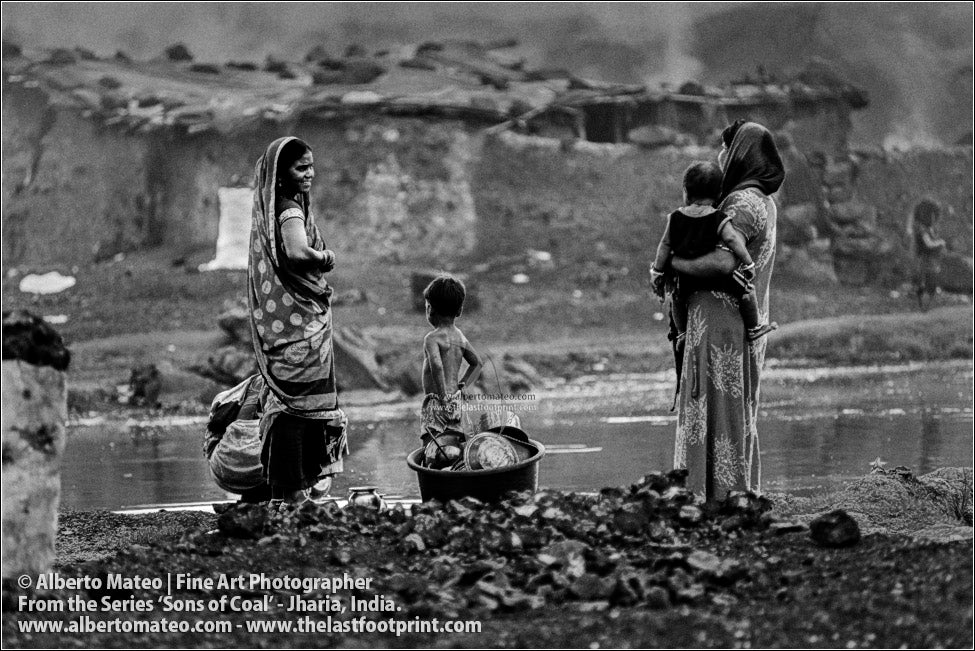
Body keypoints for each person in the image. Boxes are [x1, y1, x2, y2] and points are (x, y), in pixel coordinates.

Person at [669, 120, 785, 502]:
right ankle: (731, 491)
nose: (721, 156)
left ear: (739, 153)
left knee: (714, 406)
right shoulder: (763, 201)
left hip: (720, 323)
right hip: (737, 321)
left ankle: (711, 495)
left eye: (725, 148)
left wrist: (674, 265)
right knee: (731, 409)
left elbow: (722, 262)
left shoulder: (742, 204)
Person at [248, 137, 348, 507]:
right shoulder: (289, 209)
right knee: (299, 403)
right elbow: (295, 252)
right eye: (301, 167)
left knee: (290, 403)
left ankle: (285, 492)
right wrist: (325, 257)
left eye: (311, 166)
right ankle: (292, 491)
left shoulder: (278, 207)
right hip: (299, 325)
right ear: (281, 174)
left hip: (291, 320)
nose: (310, 174)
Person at [650, 160, 778, 348]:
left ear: (686, 191)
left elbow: (665, 244)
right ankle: (754, 328)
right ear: (719, 193)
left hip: (686, 275)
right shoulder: (719, 218)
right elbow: (732, 240)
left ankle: (682, 333)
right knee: (747, 291)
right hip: (717, 277)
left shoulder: (675, 218)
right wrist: (748, 262)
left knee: (677, 297)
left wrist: (657, 271)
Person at [419, 275, 483, 454]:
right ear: (460, 310)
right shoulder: (459, 337)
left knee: (430, 447)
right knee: (455, 442)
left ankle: (431, 465)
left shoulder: (432, 338)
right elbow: (477, 364)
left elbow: (437, 366)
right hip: (456, 401)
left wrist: (442, 398)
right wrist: (464, 386)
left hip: (437, 401)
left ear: (430, 309)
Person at [910, 198, 947, 311]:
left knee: (928, 283)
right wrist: (940, 243)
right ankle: (923, 306)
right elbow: (928, 244)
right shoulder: (922, 230)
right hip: (925, 260)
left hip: (929, 260)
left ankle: (924, 305)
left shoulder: (926, 228)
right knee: (927, 282)